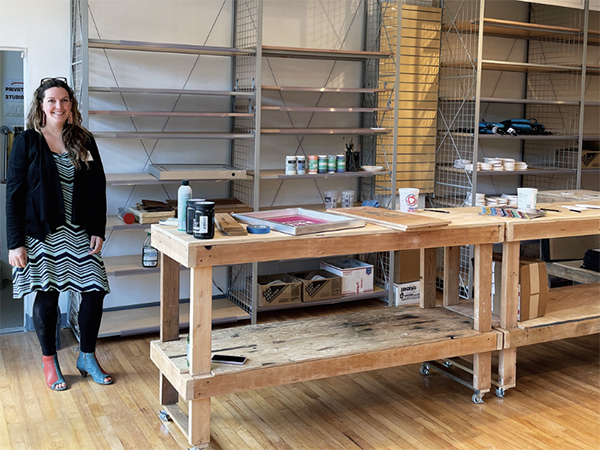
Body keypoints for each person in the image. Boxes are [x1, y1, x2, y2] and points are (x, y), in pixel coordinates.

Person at [6, 77, 112, 390]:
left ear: (71, 106)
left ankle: (86, 356)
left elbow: (98, 188)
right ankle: (49, 361)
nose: (58, 106)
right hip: (40, 232)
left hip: (79, 230)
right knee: (48, 297)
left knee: (94, 290)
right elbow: (14, 194)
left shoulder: (83, 140)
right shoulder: (27, 141)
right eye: (52, 100)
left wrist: (98, 229)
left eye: (64, 100)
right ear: (41, 105)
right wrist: (15, 244)